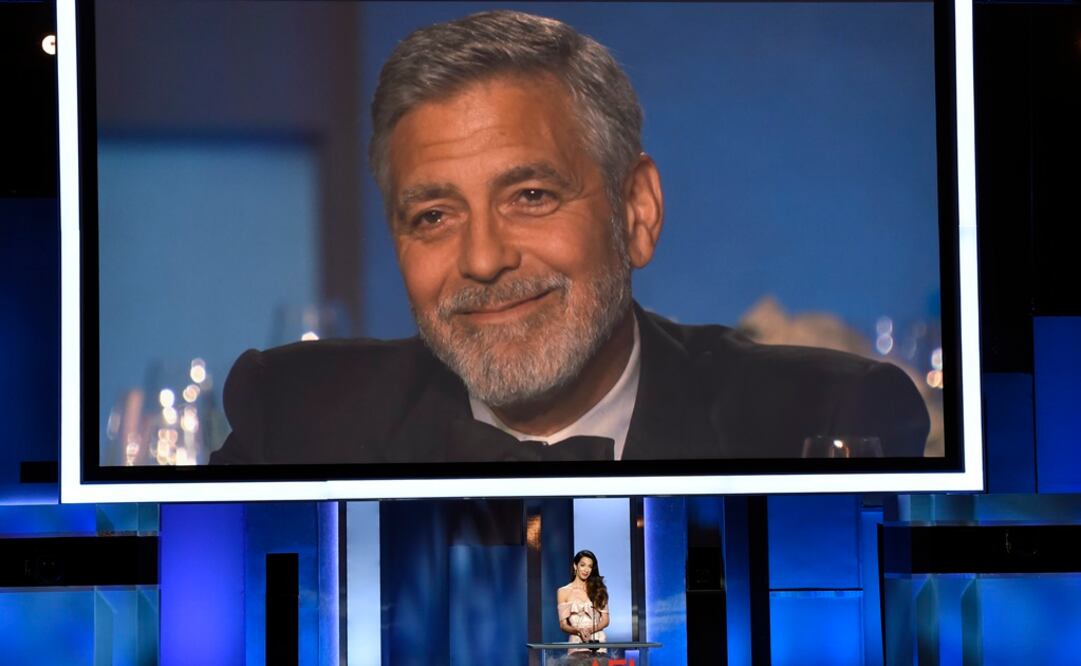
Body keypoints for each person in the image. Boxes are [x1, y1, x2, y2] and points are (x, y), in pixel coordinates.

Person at [210, 10, 929, 465]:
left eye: (530, 196)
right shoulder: (294, 422)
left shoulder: (821, 421)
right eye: (433, 215)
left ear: (635, 211)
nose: (483, 260)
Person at [558, 550, 610, 654]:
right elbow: (563, 625)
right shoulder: (563, 591)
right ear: (575, 566)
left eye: (590, 566)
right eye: (582, 565)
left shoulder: (599, 589)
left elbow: (606, 620)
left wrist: (590, 630)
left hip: (597, 642)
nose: (586, 570)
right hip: (577, 643)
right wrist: (578, 631)